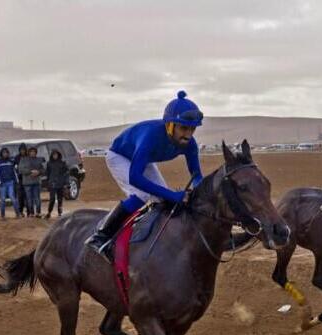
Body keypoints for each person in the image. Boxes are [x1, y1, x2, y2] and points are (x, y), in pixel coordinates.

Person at [85, 90, 204, 255]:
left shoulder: (191, 144)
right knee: (142, 194)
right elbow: (135, 178)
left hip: (143, 160)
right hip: (119, 156)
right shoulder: (151, 137)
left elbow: (196, 175)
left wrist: (201, 191)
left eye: (192, 129)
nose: (188, 135)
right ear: (170, 126)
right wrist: (172, 194)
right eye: (184, 128)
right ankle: (100, 236)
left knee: (163, 199)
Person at [0, 148, 22, 219]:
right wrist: (0, 182)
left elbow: (14, 172)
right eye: (4, 153)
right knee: (3, 199)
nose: (5, 154)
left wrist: (16, 181)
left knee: (12, 198)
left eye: (6, 153)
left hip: (10, 182)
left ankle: (17, 214)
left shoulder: (10, 161)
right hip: (2, 184)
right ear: (1, 153)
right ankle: (2, 215)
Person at [18, 146, 44, 218]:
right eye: (31, 152)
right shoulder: (23, 160)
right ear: (29, 153)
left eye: (34, 152)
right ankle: (31, 213)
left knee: (37, 198)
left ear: (36, 153)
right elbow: (20, 170)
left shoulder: (39, 160)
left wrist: (38, 172)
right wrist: (30, 172)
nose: (33, 153)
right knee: (29, 199)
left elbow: (43, 169)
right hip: (27, 183)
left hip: (36, 182)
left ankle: (38, 212)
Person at [44, 149, 69, 219]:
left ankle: (60, 212)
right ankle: (49, 212)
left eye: (56, 154)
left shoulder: (62, 163)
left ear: (58, 155)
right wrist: (47, 183)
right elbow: (47, 174)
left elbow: (66, 174)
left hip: (60, 183)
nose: (55, 156)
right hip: (52, 183)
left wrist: (66, 184)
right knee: (52, 199)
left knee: (60, 199)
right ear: (52, 155)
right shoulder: (49, 163)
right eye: (54, 154)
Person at [13, 142, 28, 216]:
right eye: (21, 150)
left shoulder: (28, 157)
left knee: (28, 196)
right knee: (20, 196)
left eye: (24, 150)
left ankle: (29, 212)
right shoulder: (17, 157)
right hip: (19, 179)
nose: (23, 151)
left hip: (27, 179)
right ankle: (20, 211)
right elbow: (13, 166)